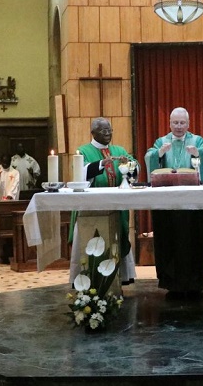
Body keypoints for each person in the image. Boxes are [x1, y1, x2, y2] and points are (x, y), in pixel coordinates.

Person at [144, 107, 203, 299]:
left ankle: (195, 281)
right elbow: (149, 157)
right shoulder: (162, 141)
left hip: (193, 205)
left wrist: (198, 154)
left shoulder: (197, 140)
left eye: (183, 123)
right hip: (168, 204)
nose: (179, 127)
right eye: (175, 123)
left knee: (193, 238)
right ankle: (171, 283)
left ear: (188, 124)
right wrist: (158, 153)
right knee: (170, 239)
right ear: (169, 123)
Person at [69, 117, 137, 285]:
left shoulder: (118, 149)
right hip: (92, 208)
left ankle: (119, 279)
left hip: (117, 207)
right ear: (92, 133)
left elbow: (135, 168)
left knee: (118, 237)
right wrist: (101, 163)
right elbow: (80, 171)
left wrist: (130, 164)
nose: (108, 134)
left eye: (110, 130)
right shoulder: (82, 151)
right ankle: (87, 277)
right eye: (103, 131)